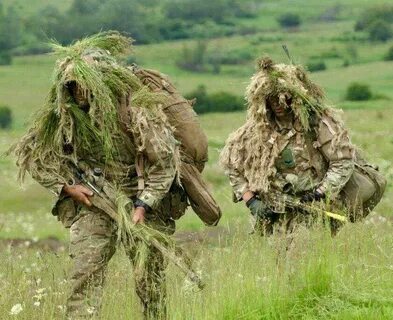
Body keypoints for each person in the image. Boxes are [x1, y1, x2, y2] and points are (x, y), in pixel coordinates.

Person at [12, 32, 216, 319]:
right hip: (94, 200)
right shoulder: (64, 113)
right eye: (72, 86)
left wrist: (145, 203)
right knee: (85, 272)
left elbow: (165, 162)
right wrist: (68, 188)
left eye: (84, 84)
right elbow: (34, 155)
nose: (79, 91)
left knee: (150, 280)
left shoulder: (136, 106)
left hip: (142, 196)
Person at [220, 56, 385, 236]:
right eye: (271, 98)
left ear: (295, 95)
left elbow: (343, 161)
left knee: (306, 253)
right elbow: (232, 166)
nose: (277, 103)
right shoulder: (256, 130)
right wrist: (251, 200)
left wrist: (321, 192)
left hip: (314, 210)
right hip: (273, 212)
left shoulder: (317, 123)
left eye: (283, 97)